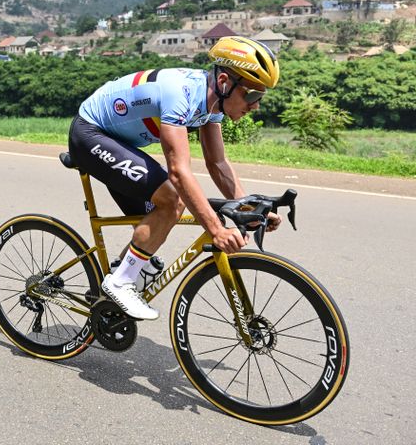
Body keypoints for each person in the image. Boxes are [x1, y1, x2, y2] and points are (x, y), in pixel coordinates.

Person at [68, 36, 283, 320]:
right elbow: (179, 173)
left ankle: (107, 295)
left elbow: (217, 163)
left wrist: (248, 208)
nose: (256, 106)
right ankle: (119, 282)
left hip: (120, 143)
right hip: (90, 134)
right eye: (253, 95)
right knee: (172, 200)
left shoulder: (212, 104)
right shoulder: (180, 94)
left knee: (152, 239)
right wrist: (216, 230)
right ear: (224, 82)